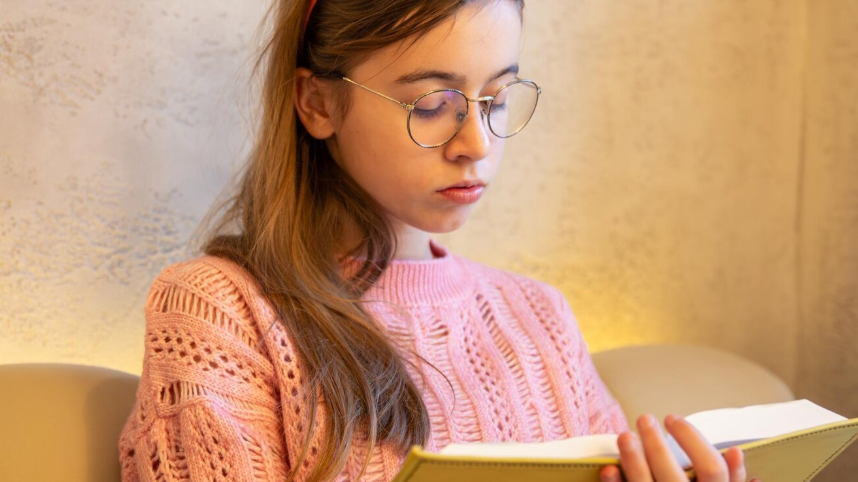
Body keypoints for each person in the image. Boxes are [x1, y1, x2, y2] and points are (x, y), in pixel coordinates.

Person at [118, 0, 758, 481]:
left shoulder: (541, 317)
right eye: (431, 103)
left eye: (498, 99)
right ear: (317, 103)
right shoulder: (222, 314)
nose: (476, 142)